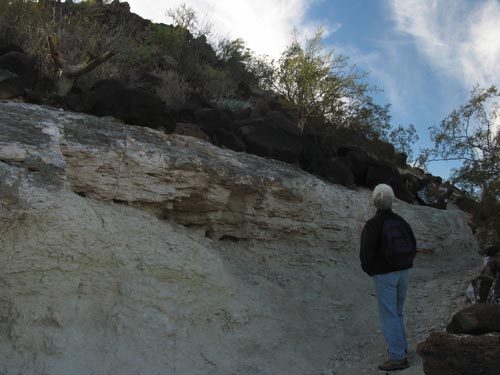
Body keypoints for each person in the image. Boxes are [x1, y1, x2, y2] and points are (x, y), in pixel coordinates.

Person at [359, 184, 417, 371]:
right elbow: (413, 245)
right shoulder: (401, 222)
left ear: (374, 201)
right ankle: (401, 348)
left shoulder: (373, 225)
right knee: (398, 312)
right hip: (403, 272)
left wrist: (371, 270)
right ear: (392, 201)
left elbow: (366, 254)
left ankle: (398, 357)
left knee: (389, 314)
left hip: (384, 275)